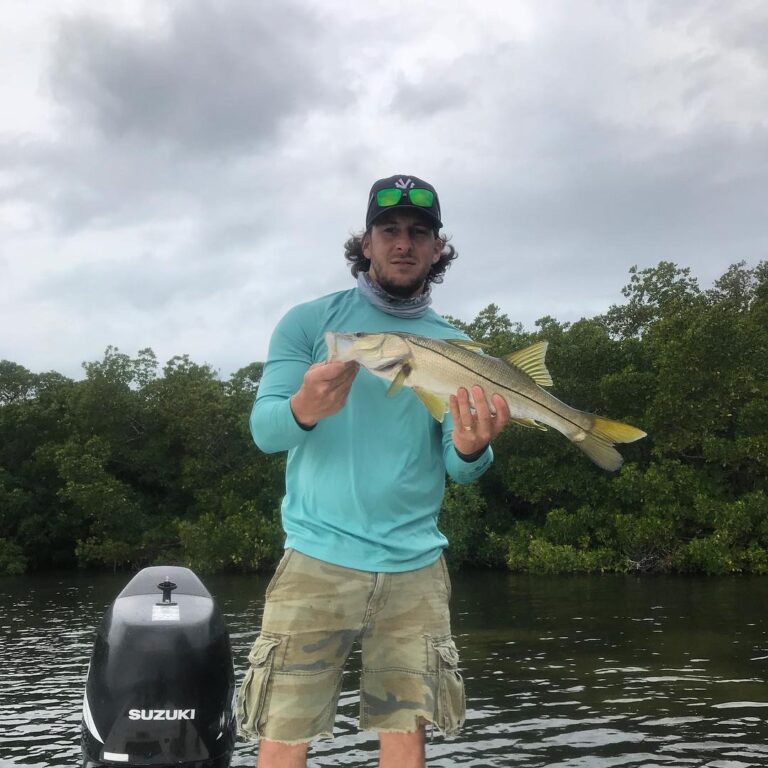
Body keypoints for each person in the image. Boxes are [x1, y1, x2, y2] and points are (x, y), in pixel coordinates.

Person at [237, 174, 511, 768]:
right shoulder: (312, 325)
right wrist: (304, 408)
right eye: (389, 230)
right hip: (316, 557)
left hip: (414, 566)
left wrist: (470, 448)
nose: (403, 242)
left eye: (419, 232)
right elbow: (264, 432)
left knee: (405, 732)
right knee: (283, 731)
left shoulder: (458, 348)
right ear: (366, 242)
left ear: (438, 249)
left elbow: (461, 470)